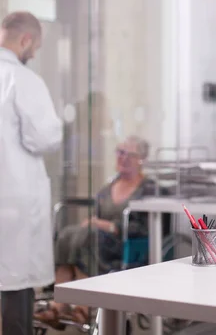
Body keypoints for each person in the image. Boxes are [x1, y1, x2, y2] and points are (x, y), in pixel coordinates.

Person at [35, 135, 164, 328]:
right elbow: (97, 215)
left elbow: (147, 228)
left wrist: (110, 226)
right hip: (99, 241)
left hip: (126, 247)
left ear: (141, 159)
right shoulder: (110, 186)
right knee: (69, 234)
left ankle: (81, 309)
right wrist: (94, 223)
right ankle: (60, 304)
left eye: (130, 154)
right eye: (120, 152)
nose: (123, 157)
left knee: (88, 237)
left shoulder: (149, 189)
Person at [0, 12, 63, 335]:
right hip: (13, 207)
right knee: (14, 292)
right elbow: (44, 137)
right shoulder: (22, 79)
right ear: (25, 40)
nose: (34, 54)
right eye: (35, 46)